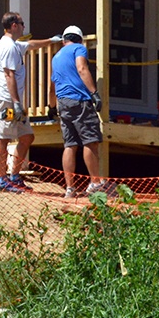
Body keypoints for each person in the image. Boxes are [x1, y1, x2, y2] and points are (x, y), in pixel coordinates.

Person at [0, 12, 52, 193]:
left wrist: (52, 40)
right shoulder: (8, 47)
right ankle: (3, 180)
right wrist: (16, 103)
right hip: (6, 100)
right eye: (22, 23)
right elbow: (9, 75)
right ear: (14, 25)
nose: (24, 26)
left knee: (27, 137)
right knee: (3, 137)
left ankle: (14, 177)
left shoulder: (15, 45)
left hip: (13, 100)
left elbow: (31, 44)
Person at [51, 25, 106, 197]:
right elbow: (82, 68)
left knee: (70, 145)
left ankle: (70, 188)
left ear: (64, 40)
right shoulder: (79, 48)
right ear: (79, 39)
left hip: (63, 103)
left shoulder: (56, 57)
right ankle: (95, 182)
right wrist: (94, 93)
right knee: (90, 141)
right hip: (79, 101)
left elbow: (52, 85)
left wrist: (51, 106)